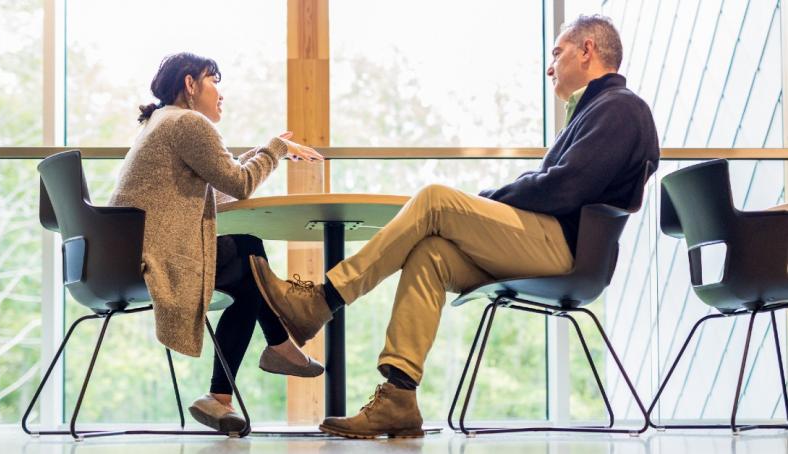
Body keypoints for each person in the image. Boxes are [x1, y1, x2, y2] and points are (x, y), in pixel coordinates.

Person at [249, 14, 661, 438]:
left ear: (588, 51)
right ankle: (399, 398)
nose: (550, 66)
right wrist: (496, 199)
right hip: (544, 243)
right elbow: (556, 185)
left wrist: (491, 199)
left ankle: (323, 299)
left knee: (434, 200)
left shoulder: (621, 109)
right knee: (431, 255)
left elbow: (566, 187)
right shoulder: (596, 111)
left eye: (557, 53)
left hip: (566, 252)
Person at [109, 52, 324, 432]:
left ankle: (223, 396)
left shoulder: (161, 122)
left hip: (117, 258)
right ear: (190, 85)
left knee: (246, 275)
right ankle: (279, 346)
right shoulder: (187, 123)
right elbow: (238, 184)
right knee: (247, 249)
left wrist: (266, 153)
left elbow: (218, 188)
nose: (221, 94)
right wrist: (274, 149)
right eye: (214, 81)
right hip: (152, 257)